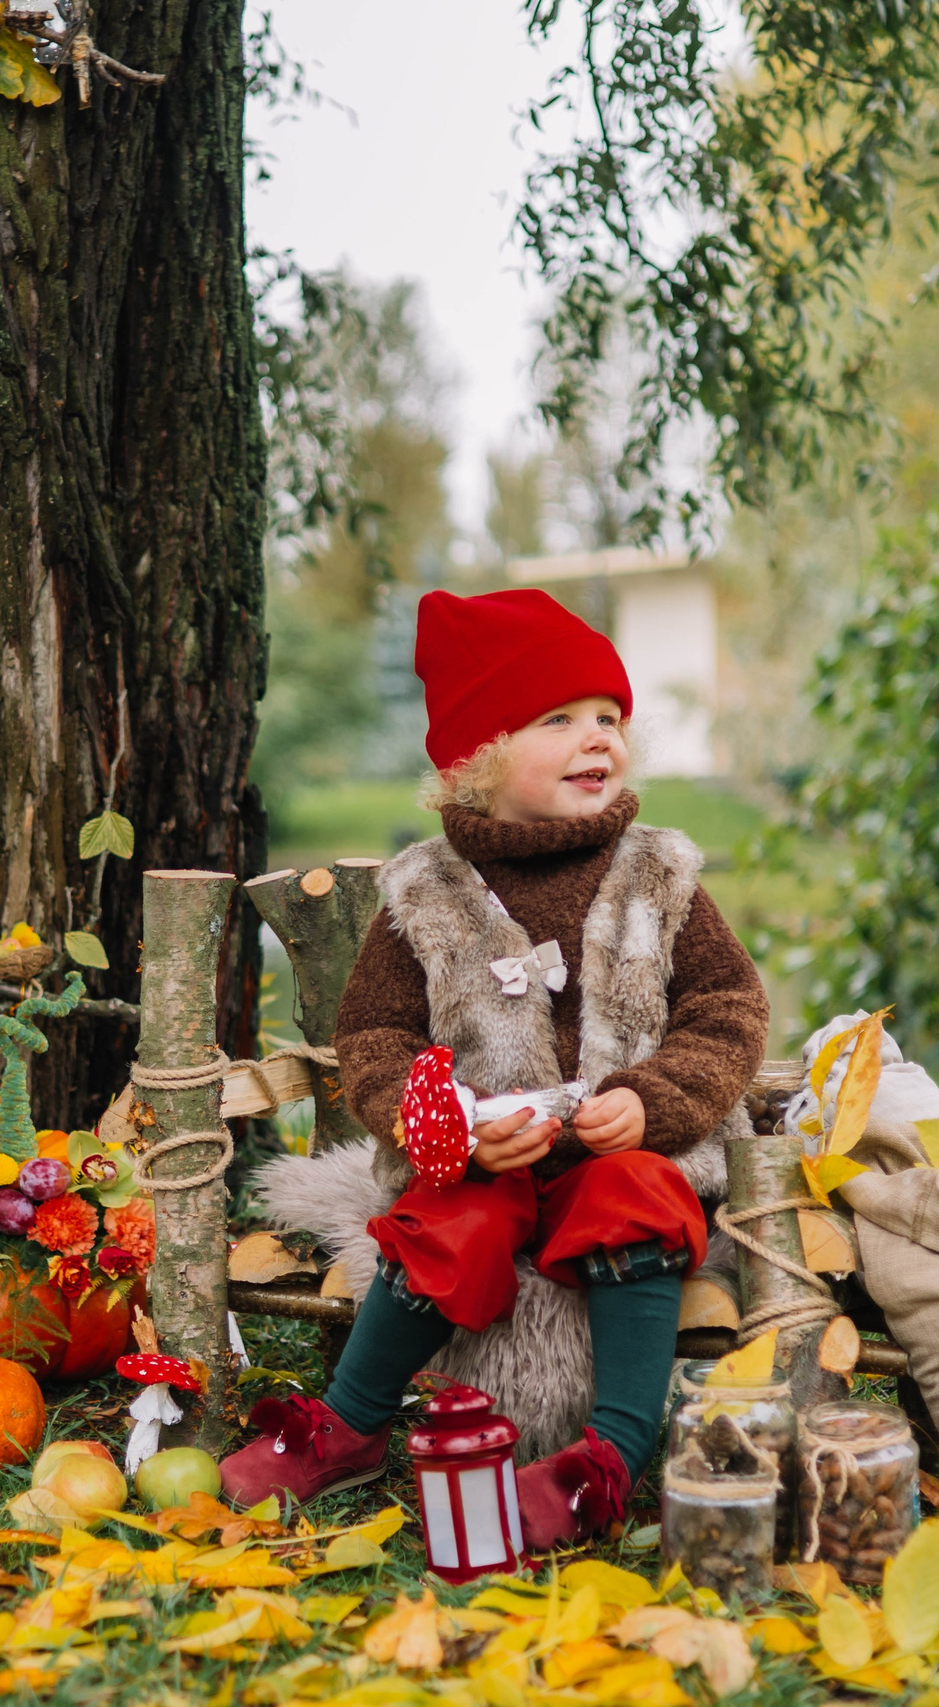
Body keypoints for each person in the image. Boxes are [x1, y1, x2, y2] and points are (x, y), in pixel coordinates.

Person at [219, 587, 769, 1549]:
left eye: (609, 717)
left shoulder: (659, 876)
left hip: (628, 1152)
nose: (598, 737)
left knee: (634, 1195)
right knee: (449, 1218)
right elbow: (376, 1039)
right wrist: (454, 1127)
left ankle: (609, 1456)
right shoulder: (426, 895)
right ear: (478, 755)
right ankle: (349, 1423)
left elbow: (730, 1009)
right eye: (558, 718)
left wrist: (654, 1100)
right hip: (487, 1157)